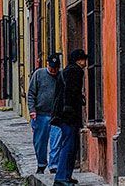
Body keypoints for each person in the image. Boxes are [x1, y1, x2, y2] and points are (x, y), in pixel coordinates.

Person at [49, 49, 88, 184]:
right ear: (78, 60)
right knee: (68, 145)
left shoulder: (66, 71)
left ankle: (66, 175)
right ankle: (61, 177)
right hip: (68, 115)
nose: (85, 62)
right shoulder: (75, 71)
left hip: (64, 114)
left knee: (71, 145)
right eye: (83, 59)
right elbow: (70, 92)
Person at [26, 54, 65, 174]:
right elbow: (31, 93)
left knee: (56, 141)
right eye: (51, 67)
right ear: (47, 64)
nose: (53, 70)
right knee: (40, 142)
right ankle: (41, 164)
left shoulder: (61, 76)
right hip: (40, 114)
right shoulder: (38, 74)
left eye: (56, 68)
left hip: (56, 115)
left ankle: (54, 165)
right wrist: (32, 110)